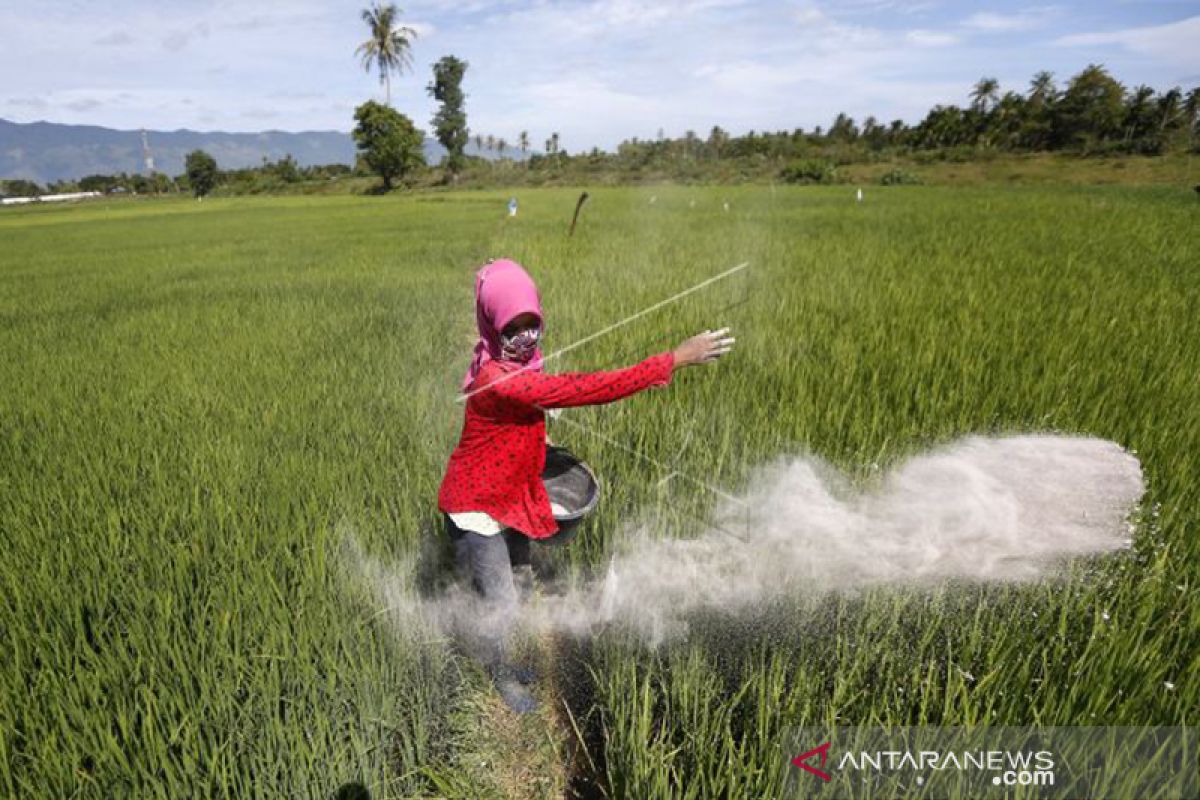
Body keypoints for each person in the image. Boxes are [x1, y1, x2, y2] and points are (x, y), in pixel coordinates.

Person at [437, 258, 735, 713]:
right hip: (478, 507)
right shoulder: (497, 377)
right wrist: (673, 359)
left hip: (506, 494)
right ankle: (499, 674)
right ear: (493, 325)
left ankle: (505, 663)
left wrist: (537, 435)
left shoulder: (516, 364)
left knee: (517, 583)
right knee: (500, 602)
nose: (526, 337)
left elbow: (518, 417)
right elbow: (584, 389)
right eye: (513, 328)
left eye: (531, 325)